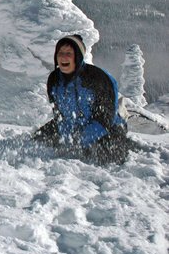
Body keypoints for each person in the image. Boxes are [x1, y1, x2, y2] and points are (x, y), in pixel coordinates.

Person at [33, 34, 129, 164]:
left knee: (110, 158)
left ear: (77, 57)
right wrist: (67, 138)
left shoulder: (98, 78)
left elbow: (106, 118)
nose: (63, 57)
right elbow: (59, 115)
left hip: (106, 128)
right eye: (60, 53)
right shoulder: (54, 80)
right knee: (36, 142)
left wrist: (80, 140)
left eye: (69, 53)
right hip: (73, 127)